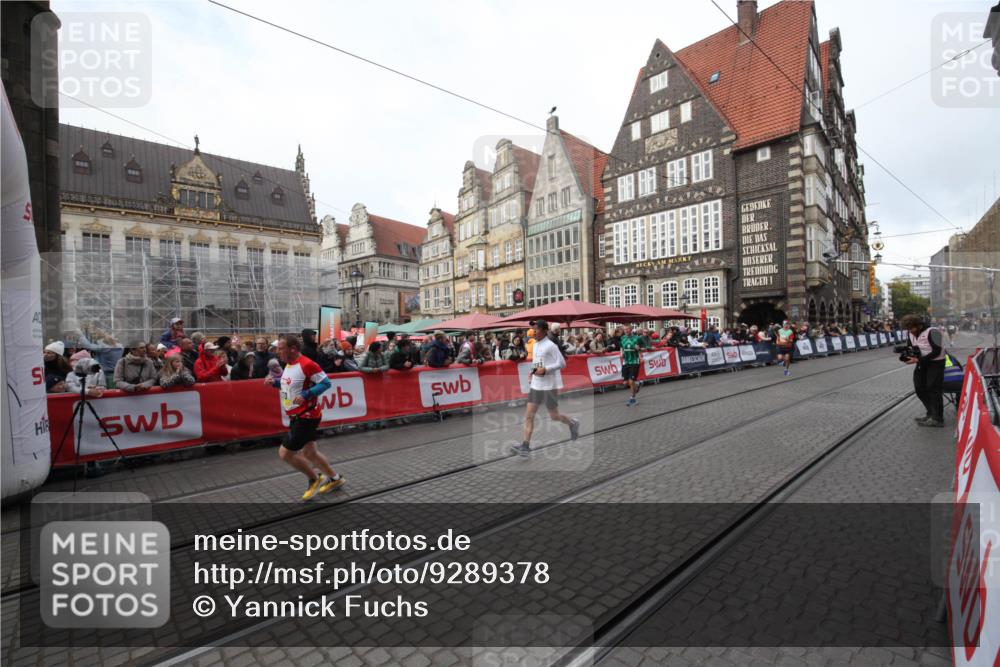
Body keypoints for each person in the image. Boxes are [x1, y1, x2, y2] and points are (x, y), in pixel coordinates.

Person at [265, 335, 343, 500]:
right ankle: (335, 479)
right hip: (298, 415)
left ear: (292, 349)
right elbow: (290, 385)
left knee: (285, 453)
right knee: (310, 453)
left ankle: (314, 478)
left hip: (306, 416)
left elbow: (326, 383)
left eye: (281, 348)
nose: (277, 352)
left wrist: (308, 394)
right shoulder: (289, 364)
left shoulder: (307, 364)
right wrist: (275, 383)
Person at [510, 320, 580, 456]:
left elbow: (562, 363)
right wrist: (532, 373)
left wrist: (546, 369)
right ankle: (525, 446)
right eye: (532, 329)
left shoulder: (551, 345)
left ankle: (572, 423)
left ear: (544, 330)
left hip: (549, 386)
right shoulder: (535, 345)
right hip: (536, 385)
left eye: (535, 329)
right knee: (529, 416)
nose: (533, 332)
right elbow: (537, 362)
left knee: (554, 416)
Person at [901, 313, 947, 427]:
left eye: (912, 328)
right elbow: (911, 348)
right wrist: (905, 353)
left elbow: (936, 351)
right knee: (919, 388)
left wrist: (918, 360)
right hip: (922, 363)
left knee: (933, 388)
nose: (910, 331)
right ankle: (931, 413)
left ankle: (938, 418)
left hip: (936, 363)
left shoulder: (933, 332)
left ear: (919, 325)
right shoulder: (911, 333)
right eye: (908, 329)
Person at [620, 325, 647, 407]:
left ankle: (632, 399)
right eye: (624, 329)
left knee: (631, 381)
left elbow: (644, 348)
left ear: (631, 329)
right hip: (626, 362)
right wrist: (621, 353)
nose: (625, 330)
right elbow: (621, 347)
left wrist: (639, 348)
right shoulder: (622, 338)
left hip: (634, 362)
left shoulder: (637, 338)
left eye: (627, 329)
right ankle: (638, 384)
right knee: (625, 382)